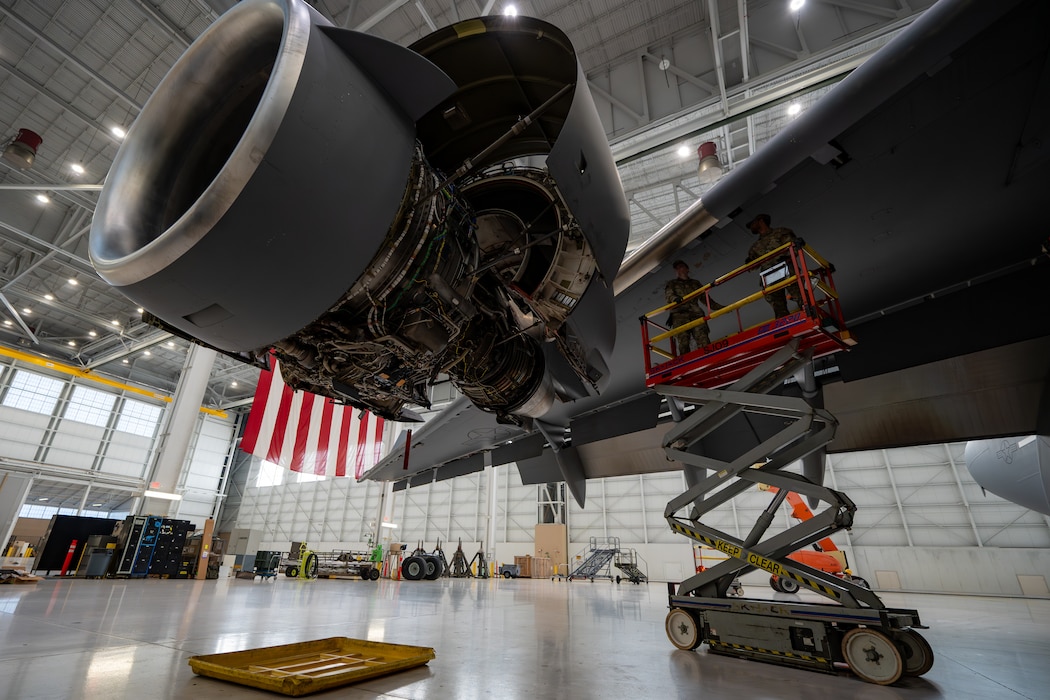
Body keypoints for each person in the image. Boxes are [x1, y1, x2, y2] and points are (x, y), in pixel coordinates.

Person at [745, 213, 801, 319]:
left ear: (761, 221)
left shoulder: (781, 233)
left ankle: (810, 316)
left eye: (752, 223)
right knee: (778, 308)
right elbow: (752, 266)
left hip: (786, 271)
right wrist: (749, 263)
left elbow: (793, 248)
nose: (751, 227)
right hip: (769, 277)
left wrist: (786, 257)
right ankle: (786, 328)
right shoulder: (755, 247)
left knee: (800, 296)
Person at [665, 259, 723, 354]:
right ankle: (686, 363)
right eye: (677, 269)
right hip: (680, 316)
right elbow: (669, 295)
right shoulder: (672, 284)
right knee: (683, 343)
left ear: (687, 269)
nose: (679, 270)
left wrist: (722, 308)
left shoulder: (695, 283)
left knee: (703, 338)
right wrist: (675, 299)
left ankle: (707, 357)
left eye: (681, 267)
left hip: (696, 314)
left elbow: (706, 300)